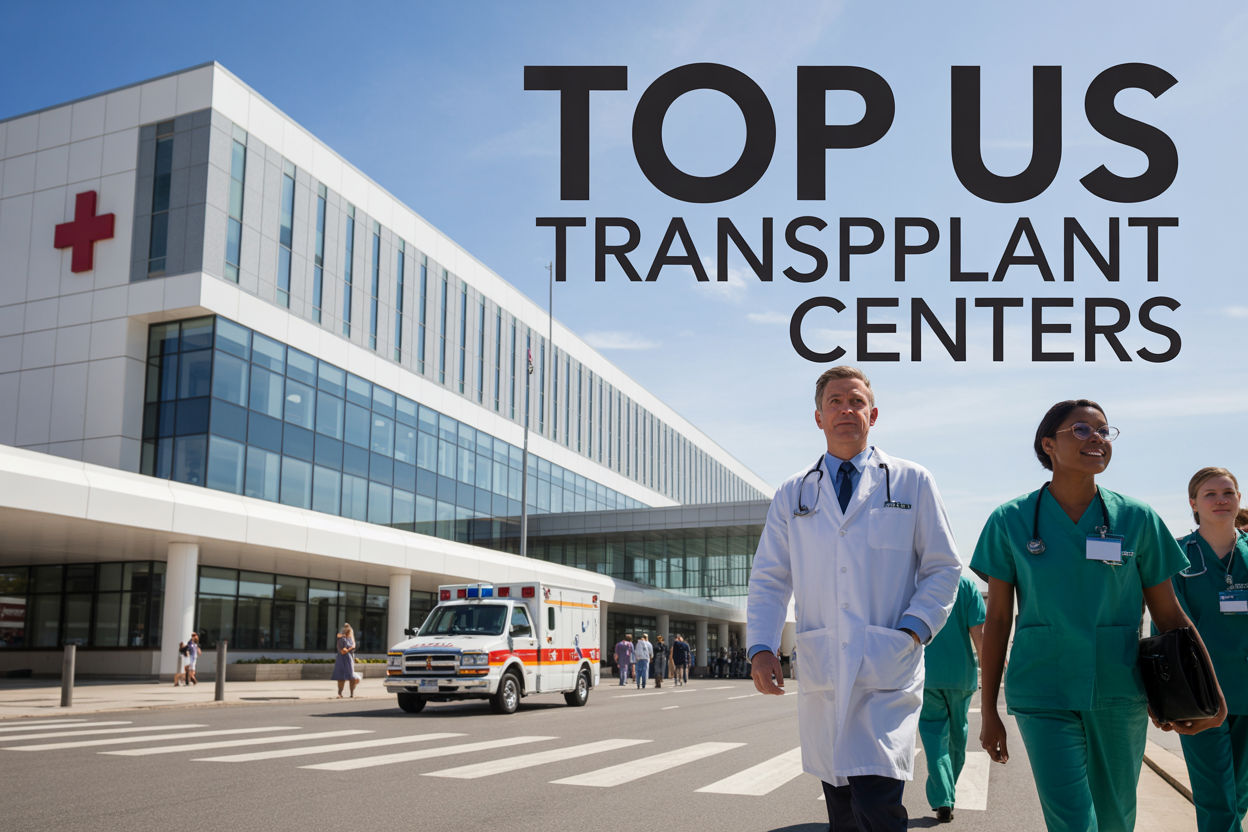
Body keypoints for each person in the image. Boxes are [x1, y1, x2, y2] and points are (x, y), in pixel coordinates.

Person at [974, 399, 1227, 832]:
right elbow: (997, 619)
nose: (1096, 439)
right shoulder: (1010, 521)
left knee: (1114, 820)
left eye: (1104, 431)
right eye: (1081, 430)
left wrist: (1211, 693)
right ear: (1048, 445)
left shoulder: (1137, 518)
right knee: (1072, 821)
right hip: (1041, 692)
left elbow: (1170, 614)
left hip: (1118, 689)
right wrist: (989, 710)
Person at [748, 366, 962, 832]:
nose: (846, 409)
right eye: (835, 402)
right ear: (819, 418)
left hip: (887, 665)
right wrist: (762, 646)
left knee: (877, 805)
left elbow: (944, 566)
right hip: (826, 665)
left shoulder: (911, 482)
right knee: (843, 811)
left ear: (873, 413)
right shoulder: (793, 492)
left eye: (856, 401)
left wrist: (913, 629)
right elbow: (770, 577)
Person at [1168, 468, 1248, 832]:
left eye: (1228, 493)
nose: (1221, 500)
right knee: (1216, 797)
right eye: (1210, 494)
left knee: (1239, 795)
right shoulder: (1177, 559)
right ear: (1193, 503)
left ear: (1239, 500)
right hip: (1200, 697)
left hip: (1246, 692)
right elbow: (1165, 631)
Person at [918, 574, 986, 823]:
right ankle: (946, 795)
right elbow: (980, 635)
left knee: (934, 736)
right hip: (961, 675)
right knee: (958, 737)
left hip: (927, 673)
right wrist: (991, 671)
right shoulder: (966, 586)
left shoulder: (918, 584)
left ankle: (943, 797)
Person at [333, 623, 359, 698]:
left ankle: (351, 693)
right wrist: (348, 649)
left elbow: (353, 645)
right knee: (342, 676)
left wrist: (348, 649)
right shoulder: (342, 638)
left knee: (351, 675)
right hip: (342, 658)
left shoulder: (350, 638)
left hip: (349, 658)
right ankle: (341, 693)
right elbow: (342, 650)